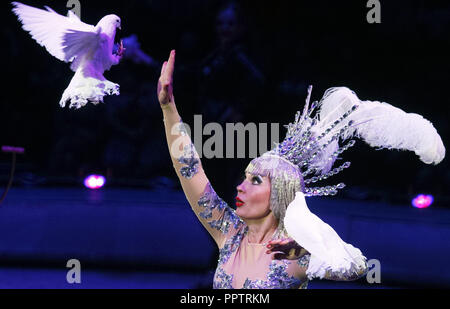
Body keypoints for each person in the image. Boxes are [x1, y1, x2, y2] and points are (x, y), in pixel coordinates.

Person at [157, 51, 445, 289]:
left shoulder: (293, 251)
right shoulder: (229, 232)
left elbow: (356, 265)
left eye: (254, 180)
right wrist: (169, 108)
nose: (240, 186)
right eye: (244, 178)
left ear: (278, 194)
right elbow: (189, 168)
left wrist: (308, 251)